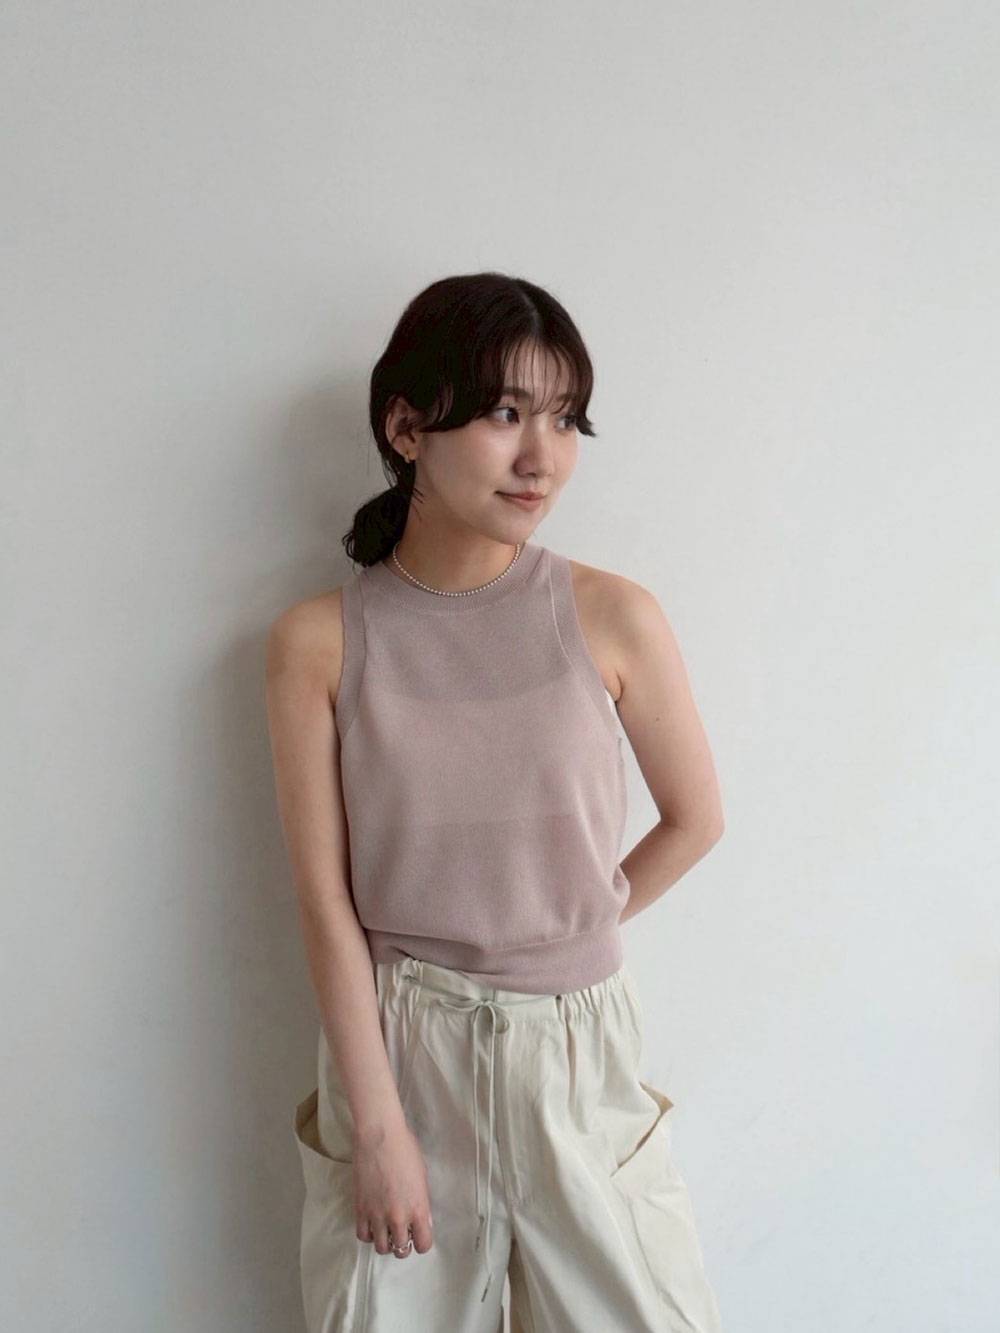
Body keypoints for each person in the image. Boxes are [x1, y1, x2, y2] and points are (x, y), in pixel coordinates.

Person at [265, 271, 725, 1332]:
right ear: (406, 427)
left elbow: (696, 818)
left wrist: (572, 922)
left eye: (564, 419)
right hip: (401, 1051)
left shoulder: (612, 614)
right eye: (506, 413)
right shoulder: (317, 641)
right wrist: (377, 1127)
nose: (541, 457)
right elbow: (325, 902)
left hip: (577, 1056)